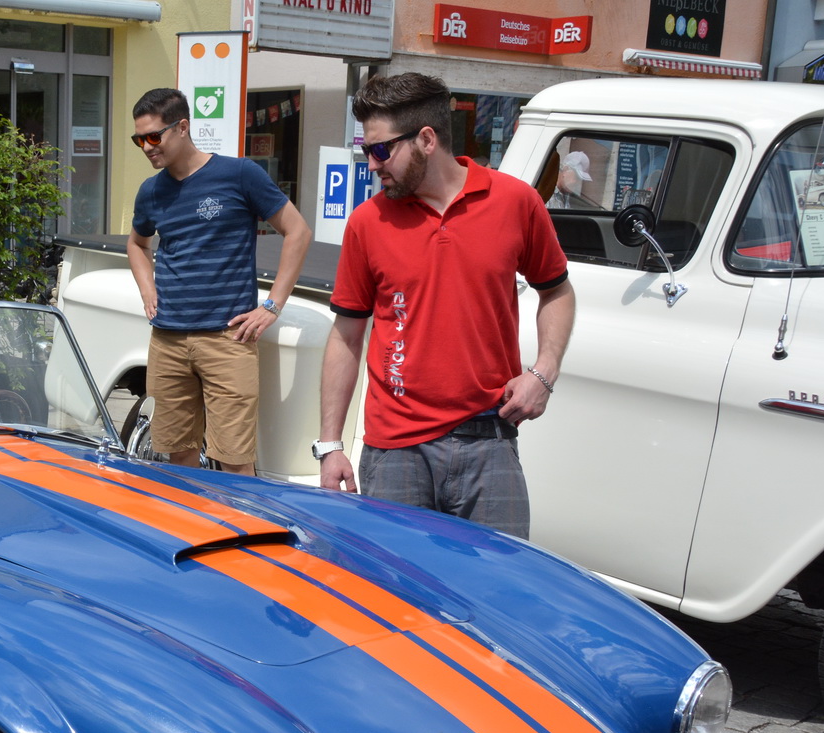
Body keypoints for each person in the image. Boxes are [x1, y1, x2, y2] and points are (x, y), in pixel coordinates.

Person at [316, 72, 573, 539]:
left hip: (490, 443)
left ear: (427, 139)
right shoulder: (367, 222)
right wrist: (330, 445)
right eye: (365, 152)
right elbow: (347, 336)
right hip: (396, 452)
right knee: (394, 600)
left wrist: (544, 372)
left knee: (501, 594)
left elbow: (556, 290)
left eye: (379, 150)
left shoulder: (515, 202)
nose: (372, 165)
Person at [126, 87, 310, 475]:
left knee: (234, 459)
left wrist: (272, 306)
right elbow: (137, 244)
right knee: (176, 455)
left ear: (182, 127)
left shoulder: (239, 174)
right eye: (139, 139)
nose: (146, 147)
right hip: (168, 339)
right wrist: (147, 288)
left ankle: (239, 533)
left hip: (229, 339)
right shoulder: (151, 191)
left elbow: (297, 231)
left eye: (153, 136)